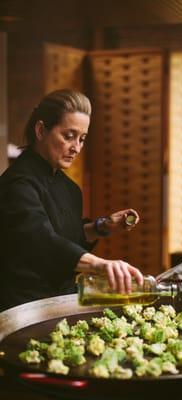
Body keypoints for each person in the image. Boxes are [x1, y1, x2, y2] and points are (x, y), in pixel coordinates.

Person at [0, 89, 143, 311]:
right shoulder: (18, 183)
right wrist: (99, 265)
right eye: (68, 136)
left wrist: (102, 226)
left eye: (82, 139)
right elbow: (42, 240)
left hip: (60, 301)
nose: (76, 147)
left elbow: (68, 235)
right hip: (25, 307)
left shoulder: (69, 188)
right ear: (40, 130)